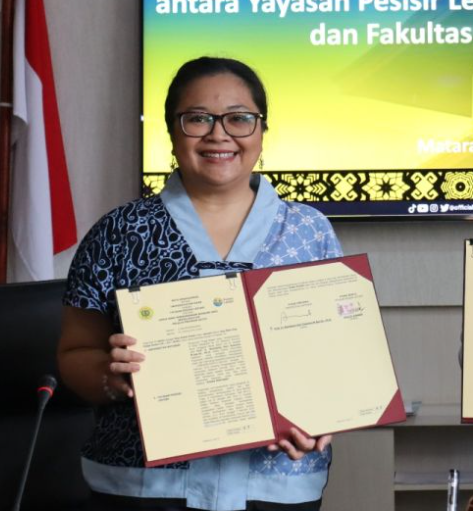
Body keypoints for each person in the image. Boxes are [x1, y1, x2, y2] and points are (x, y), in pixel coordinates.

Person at [57, 57, 342, 511]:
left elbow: (336, 357)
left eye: (239, 118)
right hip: (144, 487)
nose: (218, 134)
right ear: (172, 131)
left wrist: (327, 412)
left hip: (275, 484)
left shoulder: (309, 231)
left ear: (262, 130)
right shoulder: (118, 231)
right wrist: (111, 375)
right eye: (197, 119)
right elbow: (75, 353)